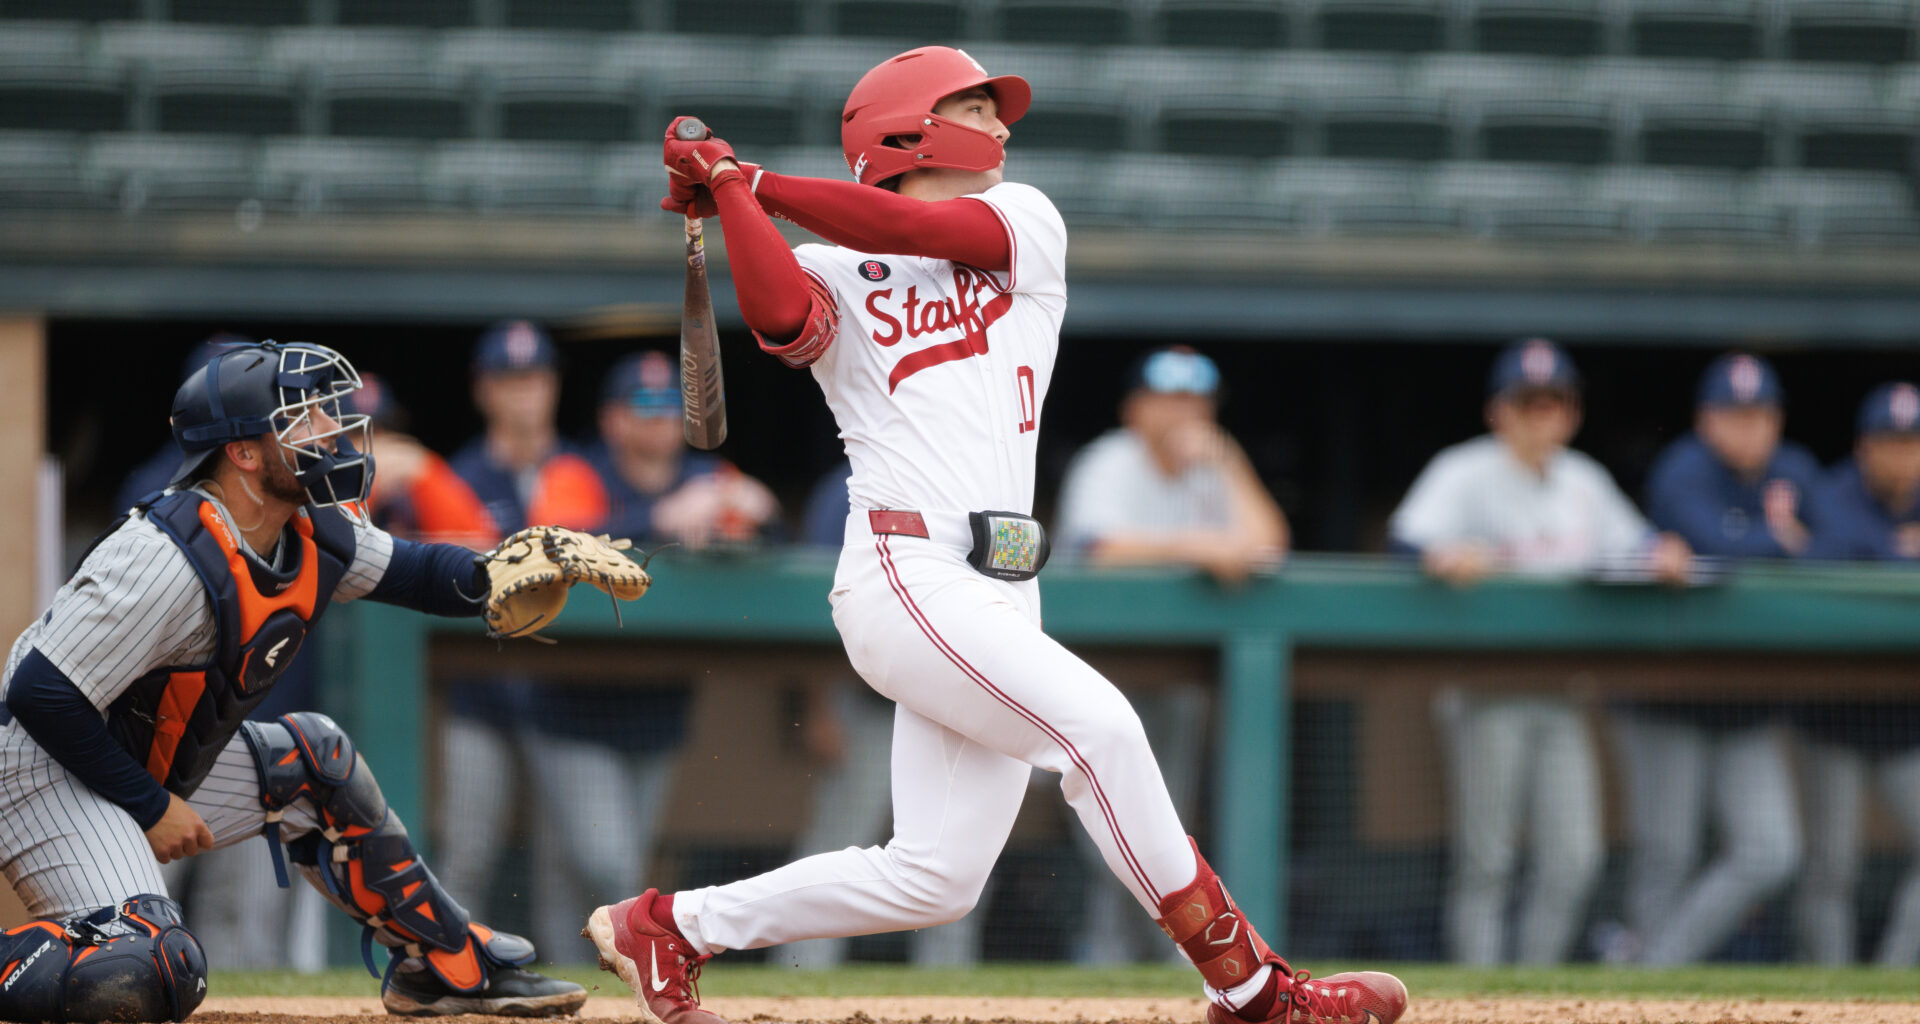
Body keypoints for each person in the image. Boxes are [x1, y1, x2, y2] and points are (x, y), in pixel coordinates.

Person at [585, 46, 1407, 1024]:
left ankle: (670, 923)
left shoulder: (1025, 218)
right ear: (909, 127)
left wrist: (745, 179)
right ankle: (1250, 985)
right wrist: (731, 202)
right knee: (1101, 731)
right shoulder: (826, 264)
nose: (1002, 128)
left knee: (935, 876)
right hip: (906, 569)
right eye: (977, 109)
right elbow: (776, 314)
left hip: (1004, 580)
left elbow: (912, 222)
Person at [0, 342, 585, 1021]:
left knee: (316, 761)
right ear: (244, 454)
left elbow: (418, 572)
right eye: (301, 419)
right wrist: (151, 807)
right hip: (39, 772)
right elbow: (38, 693)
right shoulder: (162, 556)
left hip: (134, 758)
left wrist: (506, 576)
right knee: (152, 966)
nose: (329, 430)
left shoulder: (311, 529)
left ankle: (443, 967)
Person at [1388, 337, 1690, 966]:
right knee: (1487, 859)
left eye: (1553, 402)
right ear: (1499, 411)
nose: (1541, 415)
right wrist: (1441, 556)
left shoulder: (1584, 480)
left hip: (1563, 690)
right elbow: (1407, 540)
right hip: (1485, 689)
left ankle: (1530, 988)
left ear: (1571, 412)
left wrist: (1663, 553)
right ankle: (1476, 998)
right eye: (1527, 403)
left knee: (1575, 857)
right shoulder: (1462, 470)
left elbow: (1638, 544)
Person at [1055, 345, 1286, 963]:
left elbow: (1268, 544)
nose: (1186, 411)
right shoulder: (1110, 459)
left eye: (1197, 399)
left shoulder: (1213, 467)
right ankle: (1095, 977)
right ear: (1136, 408)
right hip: (1092, 679)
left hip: (1173, 682)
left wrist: (1231, 463)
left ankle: (1164, 982)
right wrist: (1199, 544)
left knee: (1167, 841)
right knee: (1104, 848)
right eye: (1170, 397)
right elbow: (1095, 548)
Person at [1616, 353, 1812, 965]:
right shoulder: (1682, 468)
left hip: (1744, 700)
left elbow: (1839, 546)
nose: (1749, 427)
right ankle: (1644, 987)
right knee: (1666, 855)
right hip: (1664, 692)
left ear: (1776, 419)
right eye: (1734, 414)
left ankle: (1647, 971)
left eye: (1759, 414)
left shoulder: (1796, 469)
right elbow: (1710, 546)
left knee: (1772, 849)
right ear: (1707, 419)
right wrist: (1781, 540)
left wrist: (1791, 545)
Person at [437, 320, 614, 958]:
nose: (524, 395)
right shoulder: (456, 478)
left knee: (568, 861)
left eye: (534, 378)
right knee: (468, 854)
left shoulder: (589, 473)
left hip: (565, 699)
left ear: (553, 386)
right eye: (509, 380)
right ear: (484, 390)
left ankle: (573, 990)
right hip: (479, 696)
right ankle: (454, 976)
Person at [1793, 382, 1920, 965]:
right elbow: (1830, 557)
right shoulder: (1833, 489)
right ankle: (1828, 990)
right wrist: (1898, 551)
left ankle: (1893, 979)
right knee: (1832, 867)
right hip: (1832, 713)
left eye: (1913, 442)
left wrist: (1882, 552)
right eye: (1891, 442)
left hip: (1905, 720)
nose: (1903, 455)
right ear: (1866, 447)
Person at [348, 372, 497, 550]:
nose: (377, 446)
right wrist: (363, 484)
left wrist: (428, 475)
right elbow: (335, 545)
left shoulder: (417, 479)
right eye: (358, 434)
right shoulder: (317, 494)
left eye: (384, 430)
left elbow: (482, 547)